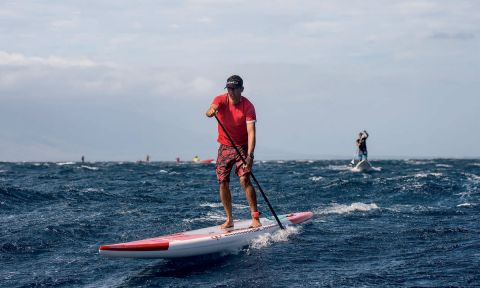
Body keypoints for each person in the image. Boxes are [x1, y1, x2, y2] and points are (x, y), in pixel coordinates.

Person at [205, 75, 261, 229]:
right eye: (228, 88)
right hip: (224, 146)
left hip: (242, 147)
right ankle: (229, 219)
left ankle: (255, 217)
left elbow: (251, 133)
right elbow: (211, 109)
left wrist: (250, 156)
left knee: (244, 180)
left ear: (241, 89)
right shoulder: (221, 99)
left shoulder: (248, 106)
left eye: (234, 89)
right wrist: (211, 111)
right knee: (223, 182)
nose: (231, 91)